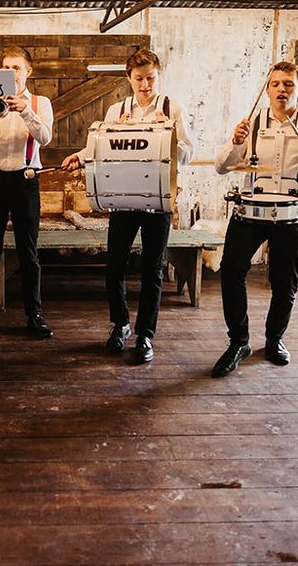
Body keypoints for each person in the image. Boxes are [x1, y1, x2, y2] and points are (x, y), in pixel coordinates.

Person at [212, 60, 298, 377]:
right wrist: (235, 141)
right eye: (276, 84)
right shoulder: (251, 123)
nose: (282, 89)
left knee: (286, 282)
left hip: (293, 214)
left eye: (288, 84)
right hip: (250, 211)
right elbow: (221, 167)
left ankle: (274, 339)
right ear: (268, 88)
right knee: (231, 270)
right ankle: (239, 342)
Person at [61, 49, 194, 364]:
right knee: (114, 267)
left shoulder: (173, 108)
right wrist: (80, 156)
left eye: (150, 78)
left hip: (157, 200)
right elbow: (100, 145)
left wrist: (171, 135)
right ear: (129, 79)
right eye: (139, 79)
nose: (145, 85)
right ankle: (120, 324)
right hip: (122, 197)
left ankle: (146, 335)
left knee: (152, 271)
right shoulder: (115, 110)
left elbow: (188, 153)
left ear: (158, 75)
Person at [0, 46, 54, 340]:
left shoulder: (41, 103)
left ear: (27, 71)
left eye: (16, 67)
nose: (10, 72)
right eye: (6, 67)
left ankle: (35, 315)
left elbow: (45, 137)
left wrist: (26, 111)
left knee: (28, 253)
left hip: (25, 180)